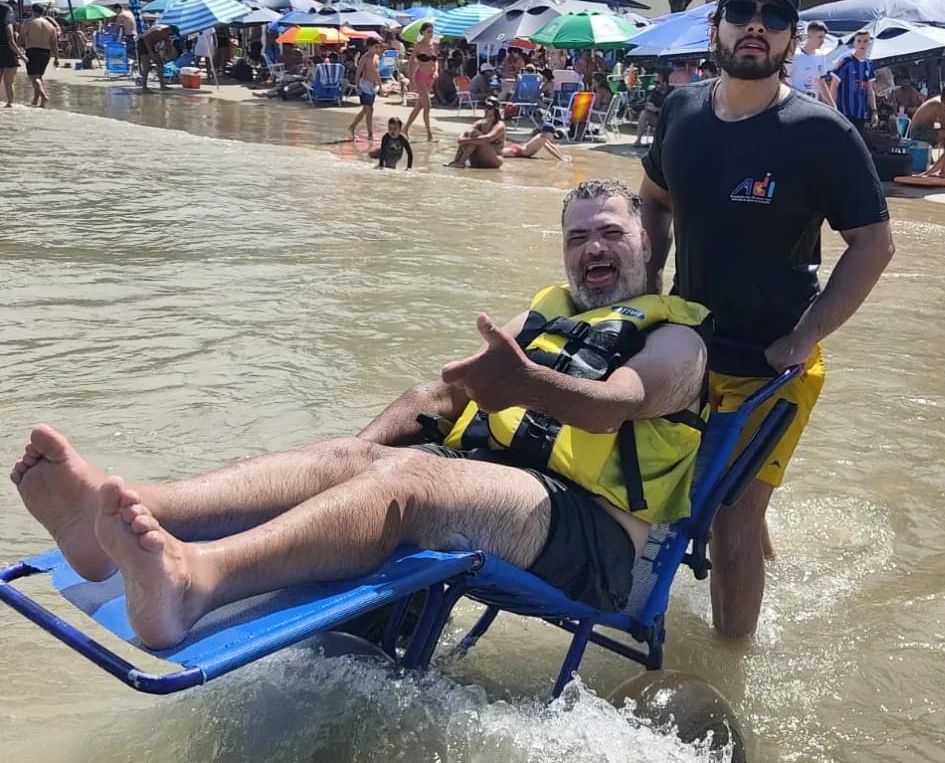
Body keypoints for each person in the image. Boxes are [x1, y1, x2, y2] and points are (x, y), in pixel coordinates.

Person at [10, 180, 710, 650]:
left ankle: (196, 584)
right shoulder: (545, 314)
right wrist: (343, 473)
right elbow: (440, 397)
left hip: (588, 535)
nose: (593, 247)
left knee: (408, 485)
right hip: (491, 483)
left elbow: (613, 408)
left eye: (611, 233)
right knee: (355, 461)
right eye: (577, 237)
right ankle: (118, 518)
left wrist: (524, 384)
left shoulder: (678, 341)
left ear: (647, 242)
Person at [639, 0, 894, 638]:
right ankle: (768, 564)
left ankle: (734, 667)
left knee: (731, 522)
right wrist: (648, 274)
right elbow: (653, 195)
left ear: (791, 41)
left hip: (772, 364)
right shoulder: (682, 110)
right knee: (653, 489)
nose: (756, 24)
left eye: (774, 16)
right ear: (715, 27)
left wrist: (805, 337)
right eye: (742, 11)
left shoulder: (822, 135)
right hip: (685, 350)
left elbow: (873, 246)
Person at [828, 29, 876, 131]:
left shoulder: (869, 64)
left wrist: (874, 110)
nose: (862, 44)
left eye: (865, 41)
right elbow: (834, 86)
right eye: (859, 41)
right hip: (844, 113)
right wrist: (833, 108)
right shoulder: (846, 61)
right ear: (854, 42)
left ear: (870, 43)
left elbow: (870, 90)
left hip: (861, 114)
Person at [19, 4, 60, 107]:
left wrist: (16, 47)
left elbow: (21, 37)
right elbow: (54, 44)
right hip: (46, 52)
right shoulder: (50, 26)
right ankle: (36, 101)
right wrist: (56, 58)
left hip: (33, 50)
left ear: (33, 10)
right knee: (39, 77)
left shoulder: (28, 22)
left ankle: (44, 96)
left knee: (33, 77)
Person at [447, 97, 506, 169]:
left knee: (476, 136)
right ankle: (456, 161)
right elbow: (468, 131)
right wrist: (460, 138)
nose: (486, 110)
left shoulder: (499, 125)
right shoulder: (480, 122)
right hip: (478, 158)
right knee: (471, 133)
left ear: (495, 110)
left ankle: (461, 162)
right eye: (485, 107)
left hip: (494, 158)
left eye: (489, 108)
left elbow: (488, 138)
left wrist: (466, 141)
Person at [403, 22, 437, 141]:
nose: (430, 34)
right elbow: (411, 61)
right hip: (420, 77)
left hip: (430, 78)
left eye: (432, 32)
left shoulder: (434, 45)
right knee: (427, 106)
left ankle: (405, 128)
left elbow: (435, 60)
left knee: (419, 107)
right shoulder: (419, 46)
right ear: (422, 32)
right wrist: (411, 79)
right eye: (428, 32)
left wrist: (436, 70)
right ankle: (429, 134)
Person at [789, 21, 833, 104]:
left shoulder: (821, 56)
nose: (823, 41)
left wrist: (833, 105)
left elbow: (821, 83)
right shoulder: (795, 55)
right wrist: (800, 94)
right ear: (809, 36)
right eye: (820, 37)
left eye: (824, 37)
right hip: (795, 103)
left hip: (812, 103)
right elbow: (783, 81)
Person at [348, 40, 384, 140]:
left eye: (378, 47)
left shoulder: (376, 57)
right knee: (370, 110)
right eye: (375, 47)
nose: (377, 49)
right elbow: (358, 72)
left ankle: (352, 126)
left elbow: (377, 74)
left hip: (373, 86)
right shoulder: (364, 58)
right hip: (365, 85)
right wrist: (358, 85)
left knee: (365, 110)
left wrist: (380, 87)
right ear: (369, 47)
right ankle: (370, 134)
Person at [634, 70, 672, 146]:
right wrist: (648, 106)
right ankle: (638, 140)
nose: (655, 85)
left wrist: (656, 109)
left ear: (665, 83)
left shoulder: (672, 93)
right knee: (644, 113)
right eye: (654, 82)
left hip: (669, 122)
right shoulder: (654, 92)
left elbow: (672, 111)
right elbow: (649, 104)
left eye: (657, 82)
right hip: (657, 120)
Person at [0, 3, 26, 107]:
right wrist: (22, 56)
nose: (12, 13)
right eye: (10, 11)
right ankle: (10, 104)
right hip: (8, 54)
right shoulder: (8, 23)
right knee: (9, 83)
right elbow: (11, 42)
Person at [502, 122, 570, 161]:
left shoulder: (542, 137)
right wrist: (561, 159)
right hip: (518, 151)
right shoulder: (541, 139)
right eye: (552, 134)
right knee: (499, 153)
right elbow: (550, 150)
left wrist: (562, 156)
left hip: (520, 149)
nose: (553, 137)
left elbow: (552, 147)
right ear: (546, 133)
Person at [136, 25, 176, 91]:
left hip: (152, 45)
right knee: (146, 66)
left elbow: (168, 45)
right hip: (143, 43)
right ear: (167, 30)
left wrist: (170, 56)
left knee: (160, 64)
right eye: (170, 34)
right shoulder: (157, 30)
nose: (169, 36)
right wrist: (151, 53)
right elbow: (145, 39)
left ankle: (162, 86)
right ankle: (144, 87)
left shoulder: (166, 35)